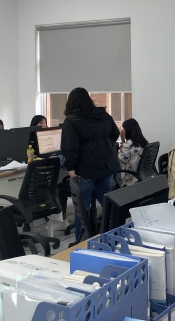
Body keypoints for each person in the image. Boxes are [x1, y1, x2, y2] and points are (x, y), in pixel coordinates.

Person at [60, 88, 120, 241]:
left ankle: (82, 241)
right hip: (106, 165)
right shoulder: (103, 115)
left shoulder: (71, 121)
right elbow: (115, 133)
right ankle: (112, 235)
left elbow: (70, 147)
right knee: (107, 203)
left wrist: (71, 169)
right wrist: (103, 147)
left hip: (85, 169)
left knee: (82, 207)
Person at [118, 118, 149, 186]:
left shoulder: (127, 145)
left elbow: (120, 161)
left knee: (109, 175)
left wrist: (122, 143)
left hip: (130, 176)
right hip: (141, 175)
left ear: (128, 130)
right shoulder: (143, 142)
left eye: (123, 129)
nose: (122, 131)